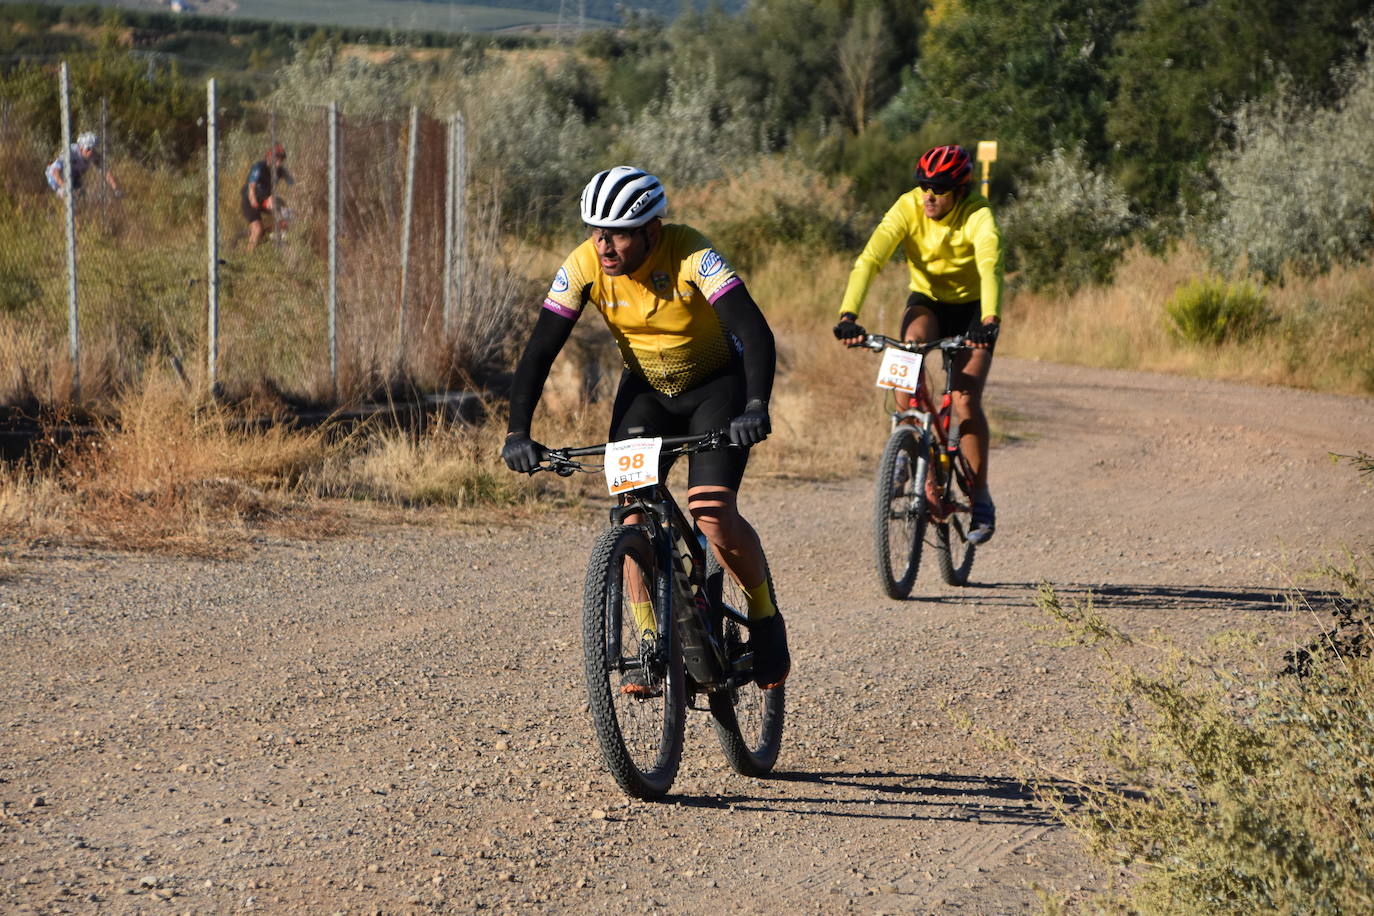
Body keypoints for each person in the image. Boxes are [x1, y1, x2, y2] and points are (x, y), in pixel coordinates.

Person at [501, 165, 790, 690]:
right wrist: (516, 432)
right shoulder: (584, 264)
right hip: (647, 392)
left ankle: (765, 616)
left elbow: (753, 328)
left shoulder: (691, 253)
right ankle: (650, 640)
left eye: (618, 234)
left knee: (711, 511)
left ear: (652, 231)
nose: (603, 244)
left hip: (716, 386)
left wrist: (755, 405)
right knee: (631, 514)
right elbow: (541, 348)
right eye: (596, 231)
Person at [833, 144, 1004, 544]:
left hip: (974, 310)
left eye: (939, 188)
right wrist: (848, 315)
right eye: (924, 185)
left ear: (959, 191)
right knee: (906, 351)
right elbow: (870, 259)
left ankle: (980, 496)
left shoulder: (978, 214)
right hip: (928, 301)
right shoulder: (908, 206)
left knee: (964, 399)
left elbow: (989, 265)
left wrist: (990, 320)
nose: (929, 195)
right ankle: (906, 445)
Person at [241, 144, 294, 252]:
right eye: (277, 159)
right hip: (250, 200)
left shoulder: (280, 170)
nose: (279, 163)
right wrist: (253, 199)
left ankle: (269, 233)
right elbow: (251, 186)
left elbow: (293, 184)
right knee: (257, 229)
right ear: (270, 158)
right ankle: (247, 254)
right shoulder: (259, 167)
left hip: (265, 200)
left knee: (284, 213)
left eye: (281, 160)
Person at [45, 132, 119, 199]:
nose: (91, 152)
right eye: (88, 149)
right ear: (81, 148)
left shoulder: (94, 155)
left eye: (94, 149)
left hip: (72, 177)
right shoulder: (71, 151)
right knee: (69, 196)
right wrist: (65, 187)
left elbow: (105, 172)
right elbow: (55, 171)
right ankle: (60, 195)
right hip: (54, 177)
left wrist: (116, 188)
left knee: (81, 194)